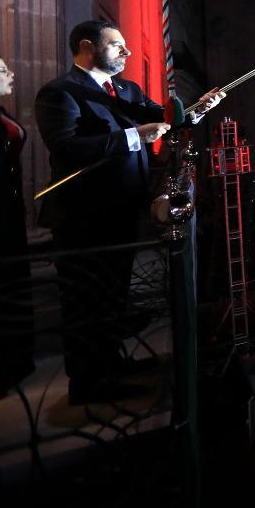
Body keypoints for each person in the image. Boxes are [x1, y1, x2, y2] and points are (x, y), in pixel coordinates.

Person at [34, 20, 224, 405]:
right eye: (117, 45)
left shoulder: (126, 90)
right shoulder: (60, 93)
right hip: (82, 215)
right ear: (87, 47)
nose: (128, 52)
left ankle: (112, 365)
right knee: (87, 300)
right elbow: (67, 148)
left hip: (122, 209)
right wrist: (134, 136)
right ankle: (87, 383)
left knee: (113, 297)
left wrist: (198, 109)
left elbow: (171, 119)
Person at [0, 45, 35, 395]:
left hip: (8, 210)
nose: (11, 74)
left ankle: (14, 358)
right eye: (3, 69)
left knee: (11, 283)